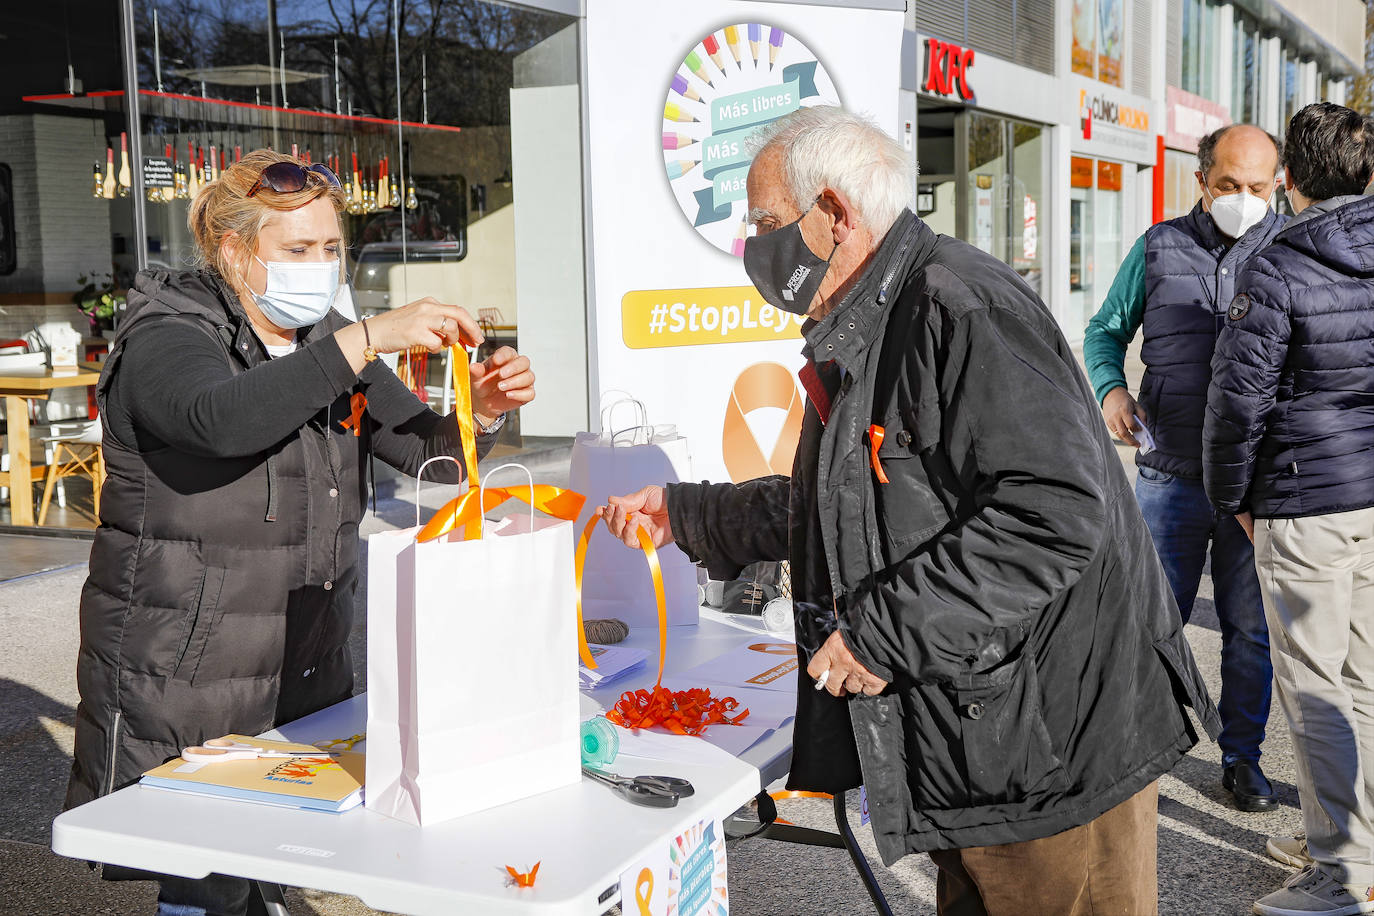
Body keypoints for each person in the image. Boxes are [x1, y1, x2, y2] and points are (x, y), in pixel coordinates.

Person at [598, 106, 1218, 916]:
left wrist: (880, 634)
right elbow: (845, 503)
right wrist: (688, 515)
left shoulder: (959, 308)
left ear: (833, 213)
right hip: (984, 741)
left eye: (765, 222)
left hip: (1053, 754)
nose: (754, 245)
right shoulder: (873, 318)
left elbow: (1054, 513)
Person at [63, 149, 535, 915]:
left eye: (330, 248)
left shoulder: (326, 334)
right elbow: (219, 420)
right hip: (189, 672)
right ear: (233, 251)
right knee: (203, 879)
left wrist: (481, 412)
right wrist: (365, 338)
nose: (319, 267)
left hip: (304, 658)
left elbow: (427, 456)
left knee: (272, 861)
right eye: (297, 249)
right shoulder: (167, 334)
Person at [1083, 123, 1287, 812]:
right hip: (1169, 475)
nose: (1243, 198)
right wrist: (1111, 389)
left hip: (1255, 485)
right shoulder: (1158, 247)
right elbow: (1105, 329)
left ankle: (1242, 758)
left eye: (1257, 187)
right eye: (1228, 184)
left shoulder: (1292, 251)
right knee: (1151, 622)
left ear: (1278, 185)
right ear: (1201, 180)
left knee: (1249, 630)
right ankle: (1139, 756)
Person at [1205, 101, 1374, 916]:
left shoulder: (1276, 266)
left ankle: (1340, 873)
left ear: (1292, 180)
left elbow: (1238, 402)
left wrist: (1230, 496)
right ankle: (1357, 846)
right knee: (1363, 681)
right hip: (1369, 497)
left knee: (1314, 689)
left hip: (1306, 501)